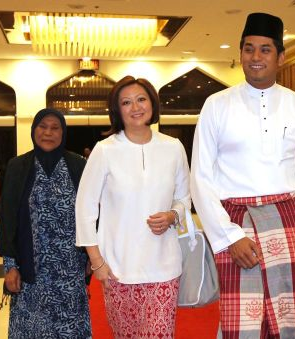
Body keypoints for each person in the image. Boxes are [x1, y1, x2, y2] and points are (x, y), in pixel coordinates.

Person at [190, 12, 295, 339]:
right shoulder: (216, 105)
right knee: (241, 324)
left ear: (281, 56)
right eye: (249, 49)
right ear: (240, 54)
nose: (256, 57)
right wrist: (229, 236)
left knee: (285, 318)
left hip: (287, 222)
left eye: (265, 49)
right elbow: (200, 178)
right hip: (236, 222)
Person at [76, 75, 190, 338]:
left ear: (152, 103)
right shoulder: (104, 150)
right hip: (117, 269)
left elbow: (185, 198)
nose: (135, 107)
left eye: (141, 99)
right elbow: (84, 208)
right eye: (126, 102)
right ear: (117, 110)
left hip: (164, 266)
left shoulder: (173, 148)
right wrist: (97, 263)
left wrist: (173, 214)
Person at [0, 108, 91, 338]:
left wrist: (91, 257)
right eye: (43, 126)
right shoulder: (18, 167)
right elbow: (8, 218)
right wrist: (10, 266)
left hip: (70, 271)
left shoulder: (78, 166)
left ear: (63, 132)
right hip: (31, 271)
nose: (48, 133)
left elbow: (91, 213)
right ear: (33, 130)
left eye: (55, 128)